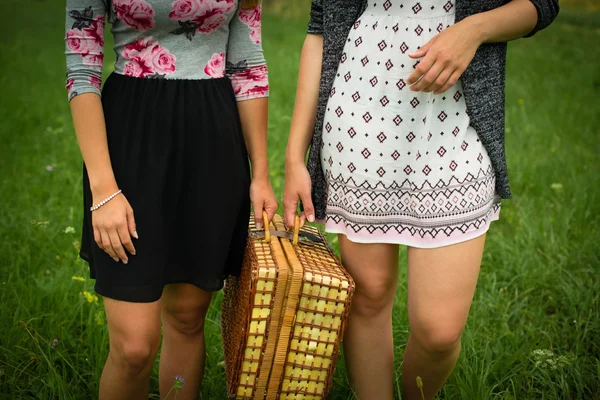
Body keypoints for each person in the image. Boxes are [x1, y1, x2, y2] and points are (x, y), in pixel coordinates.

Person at [283, 0, 558, 398]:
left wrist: (475, 29)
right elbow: (321, 30)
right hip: (359, 115)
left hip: (457, 125)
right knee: (369, 295)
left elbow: (542, 5)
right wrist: (295, 156)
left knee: (438, 331)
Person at [65, 0, 277, 399]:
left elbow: (248, 65)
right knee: (133, 348)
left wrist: (261, 173)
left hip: (213, 147)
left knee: (186, 319)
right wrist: (104, 190)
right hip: (129, 147)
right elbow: (81, 70)